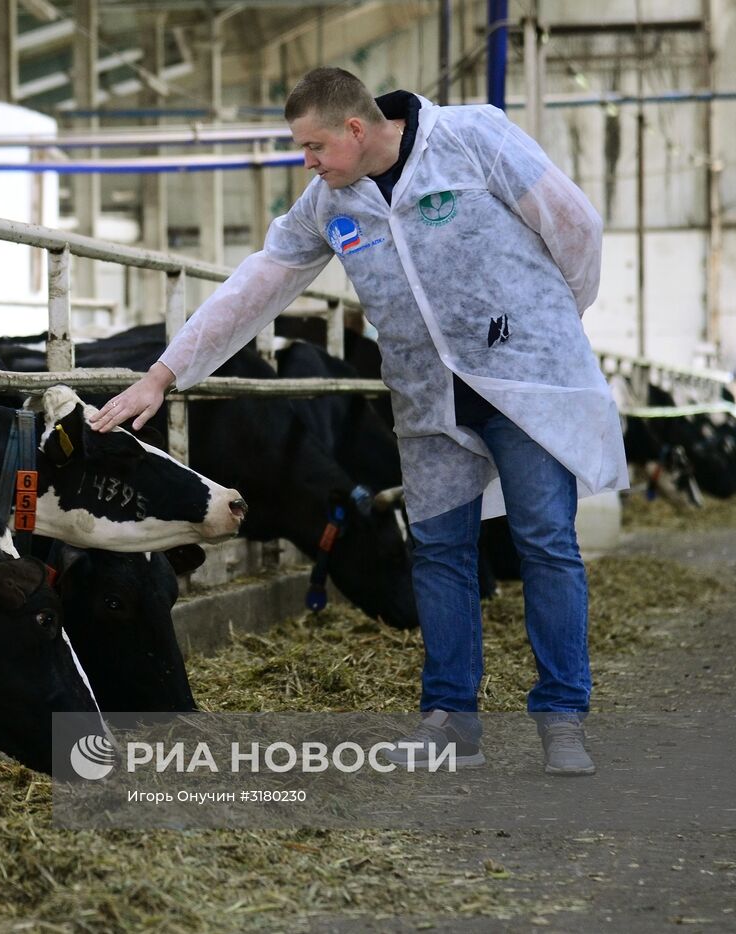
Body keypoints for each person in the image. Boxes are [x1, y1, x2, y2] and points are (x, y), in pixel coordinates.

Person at [88, 67, 627, 776]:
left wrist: (554, 327)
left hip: (523, 380)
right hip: (429, 397)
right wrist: (164, 374)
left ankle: (562, 718)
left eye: (313, 146)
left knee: (545, 542)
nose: (305, 162)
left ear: (355, 128)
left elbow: (574, 225)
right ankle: (449, 721)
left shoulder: (471, 139)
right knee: (438, 550)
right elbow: (255, 287)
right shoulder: (328, 205)